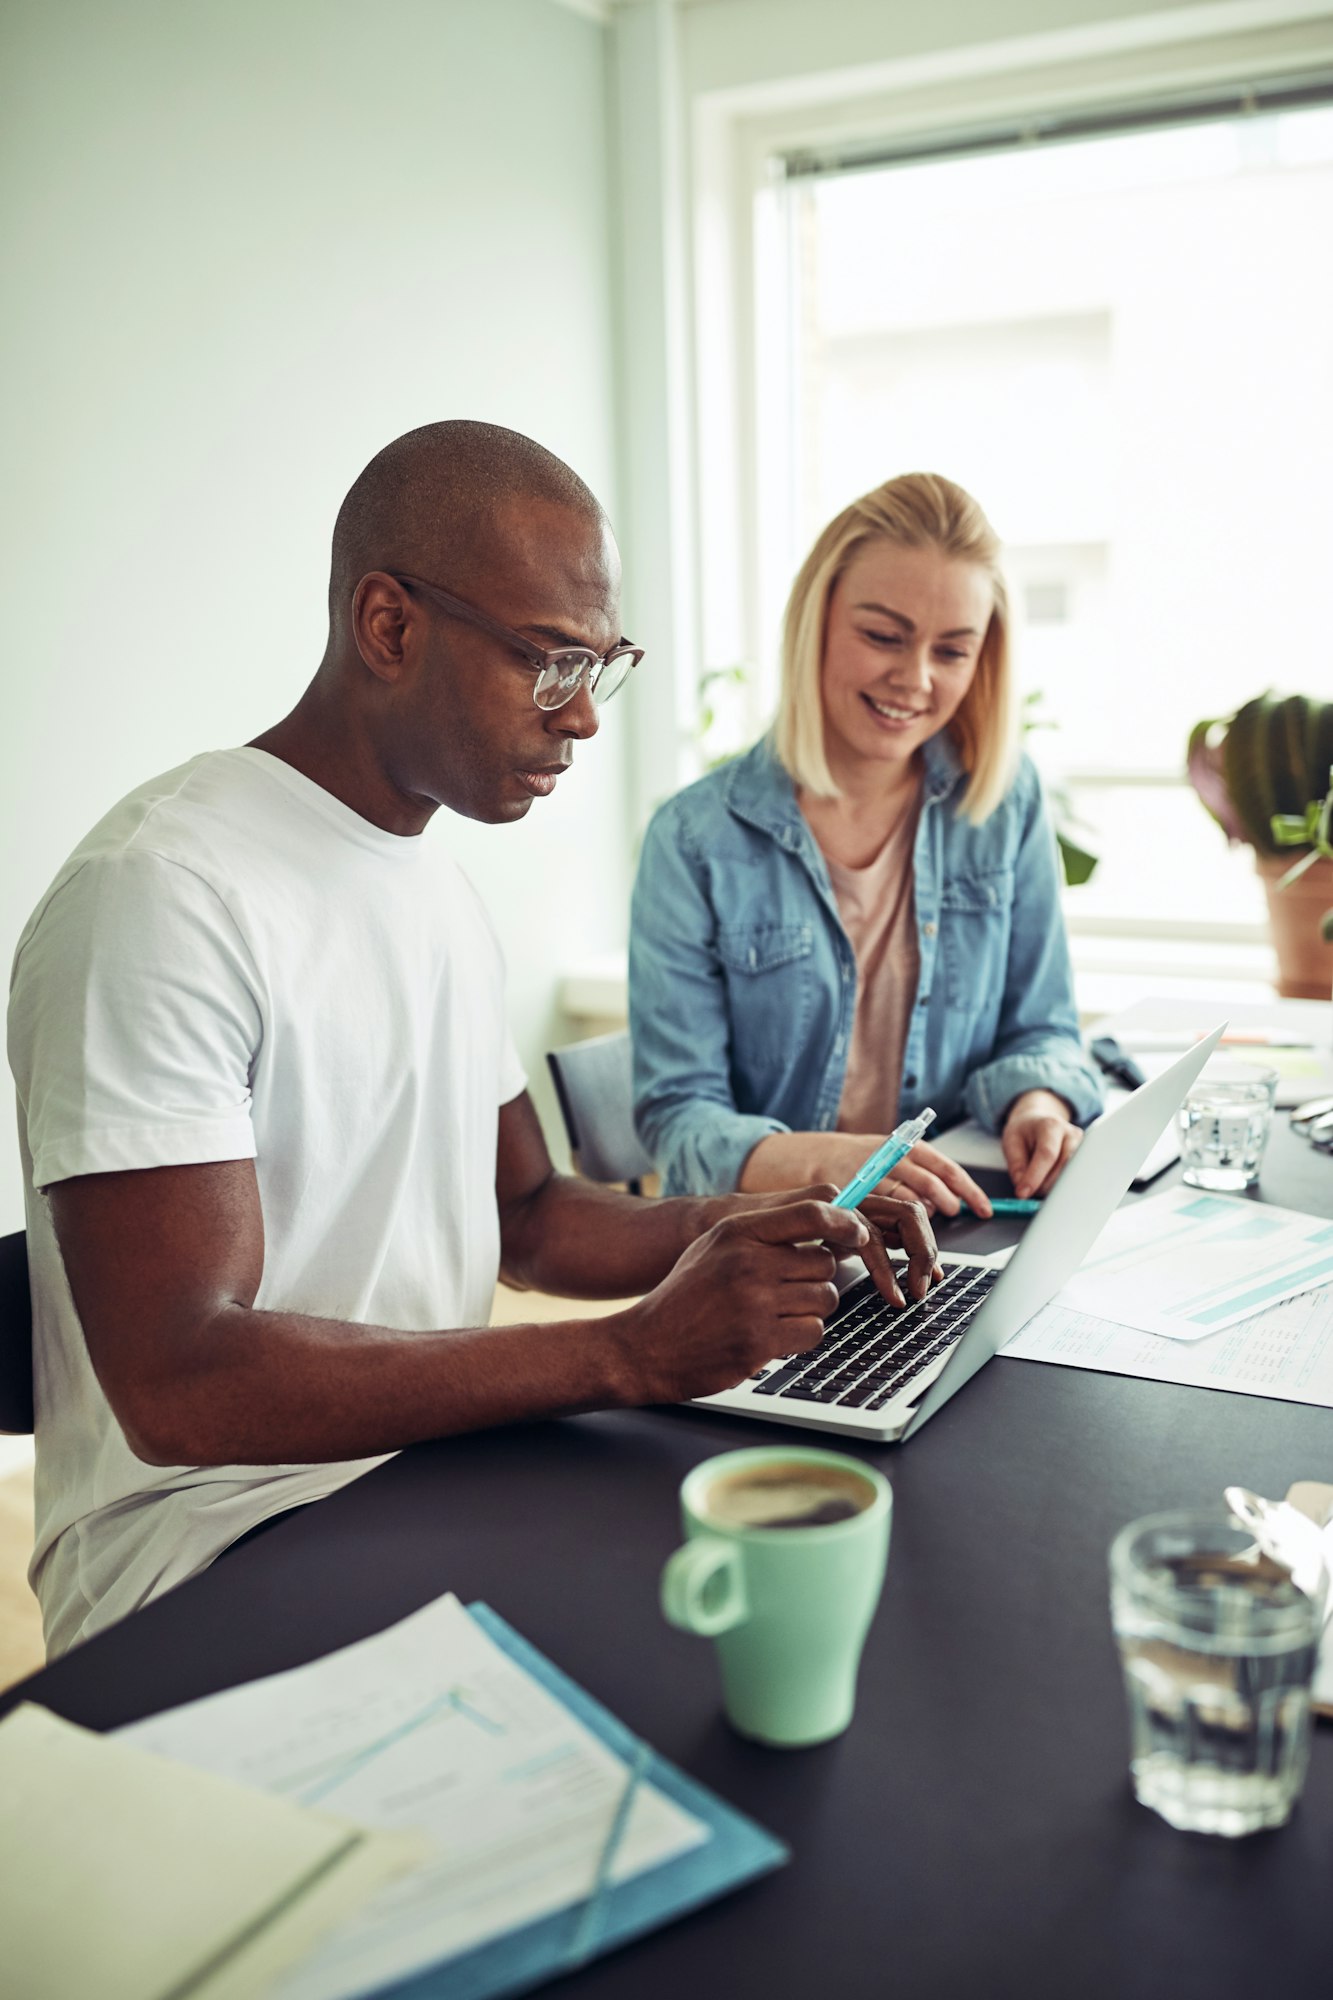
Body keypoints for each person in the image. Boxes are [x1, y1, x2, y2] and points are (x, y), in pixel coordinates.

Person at [7, 422, 942, 1658]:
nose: (584, 721)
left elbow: (530, 1213)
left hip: (422, 1475)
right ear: (388, 625)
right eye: (551, 661)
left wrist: (736, 1226)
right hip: (208, 1548)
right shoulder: (163, 892)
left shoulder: (432, 884)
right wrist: (626, 1351)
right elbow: (184, 1382)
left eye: (599, 667)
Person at [629, 470, 1102, 1213]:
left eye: (951, 651)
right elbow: (680, 1122)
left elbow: (1039, 1026)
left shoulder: (1005, 802)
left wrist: (1038, 1103)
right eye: (883, 636)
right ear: (815, 623)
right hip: (774, 1250)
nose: (913, 679)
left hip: (954, 1231)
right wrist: (843, 1162)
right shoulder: (693, 839)